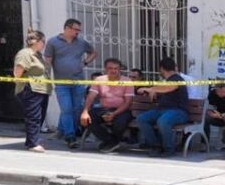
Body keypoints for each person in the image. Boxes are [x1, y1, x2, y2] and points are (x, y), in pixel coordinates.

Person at [44, 18, 97, 147]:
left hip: (78, 81)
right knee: (66, 108)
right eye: (76, 29)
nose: (78, 32)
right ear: (67, 28)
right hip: (61, 82)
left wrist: (84, 62)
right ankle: (70, 136)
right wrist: (46, 77)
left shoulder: (81, 43)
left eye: (79, 30)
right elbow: (48, 61)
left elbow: (93, 52)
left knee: (76, 108)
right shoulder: (53, 42)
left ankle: (64, 130)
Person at [134, 57, 190, 157]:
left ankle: (169, 149)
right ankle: (156, 146)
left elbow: (169, 88)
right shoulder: (164, 82)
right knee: (141, 119)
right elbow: (159, 91)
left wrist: (153, 89)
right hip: (161, 110)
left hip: (178, 112)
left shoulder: (177, 79)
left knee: (163, 121)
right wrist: (151, 92)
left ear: (162, 69)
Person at [79, 58, 134, 153]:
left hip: (121, 110)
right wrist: (85, 111)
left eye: (116, 68)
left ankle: (111, 142)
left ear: (120, 69)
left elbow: (127, 102)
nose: (113, 70)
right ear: (105, 69)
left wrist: (114, 114)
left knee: (120, 123)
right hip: (104, 109)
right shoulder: (99, 80)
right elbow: (91, 96)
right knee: (86, 118)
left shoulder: (127, 81)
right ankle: (111, 141)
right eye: (110, 68)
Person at [13, 30, 51, 153]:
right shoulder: (25, 54)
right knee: (33, 116)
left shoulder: (37, 54)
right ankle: (33, 143)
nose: (44, 44)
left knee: (40, 116)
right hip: (30, 88)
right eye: (43, 41)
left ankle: (33, 139)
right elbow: (18, 72)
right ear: (37, 41)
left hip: (41, 89)